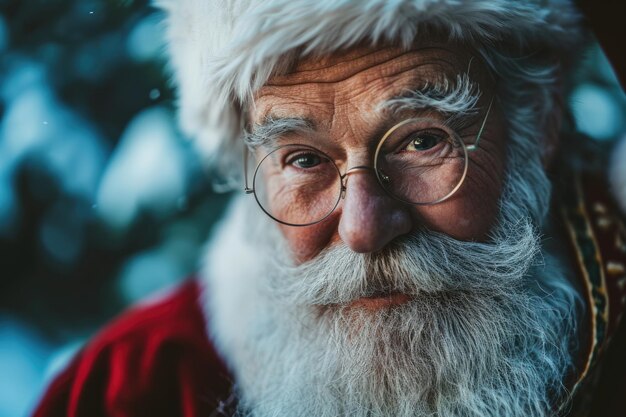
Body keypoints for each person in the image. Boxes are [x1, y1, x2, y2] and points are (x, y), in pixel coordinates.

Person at [33, 1, 626, 416]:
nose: (364, 226)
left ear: (540, 120)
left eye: (422, 140)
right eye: (303, 159)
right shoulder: (135, 388)